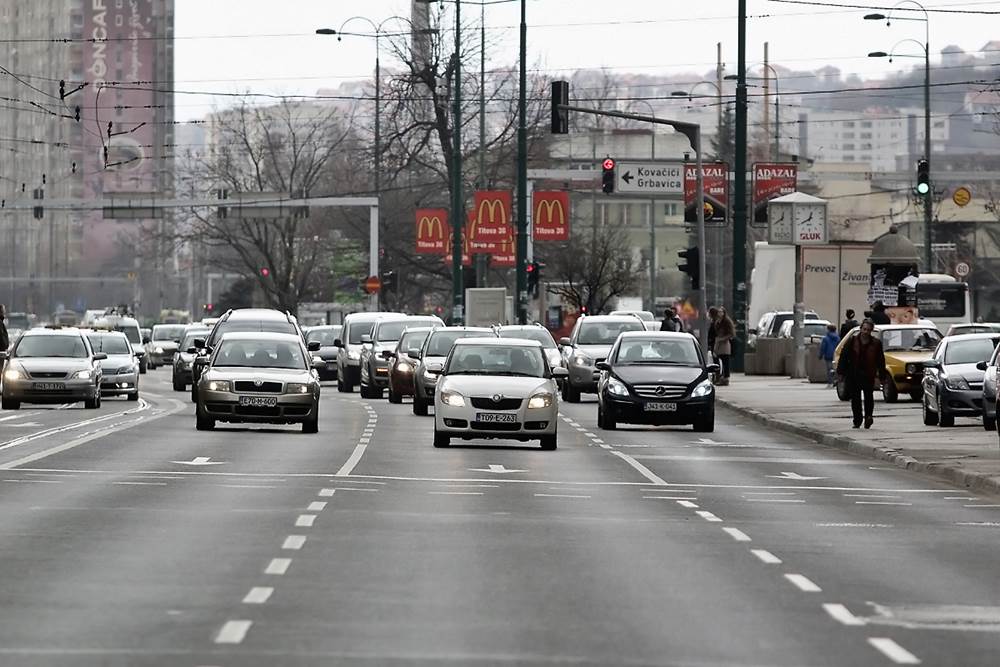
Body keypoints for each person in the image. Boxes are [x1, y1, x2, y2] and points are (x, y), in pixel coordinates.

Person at [836, 318, 887, 429]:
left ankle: (868, 416)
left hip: (868, 374)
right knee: (855, 399)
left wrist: (882, 376)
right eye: (864, 329)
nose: (866, 332)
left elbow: (881, 361)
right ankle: (857, 420)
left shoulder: (876, 343)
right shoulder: (852, 341)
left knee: (869, 396)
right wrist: (840, 373)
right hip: (853, 374)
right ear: (860, 329)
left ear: (871, 331)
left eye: (868, 330)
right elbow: (843, 357)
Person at [713, 307, 735, 386]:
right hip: (718, 343)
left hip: (724, 343)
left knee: (725, 361)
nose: (719, 313)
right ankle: (720, 377)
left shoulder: (727, 321)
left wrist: (723, 338)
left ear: (724, 313)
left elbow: (731, 334)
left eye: (721, 312)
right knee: (718, 360)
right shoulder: (717, 321)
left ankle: (726, 378)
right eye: (718, 312)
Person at [818, 323, 840, 388]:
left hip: (828, 356)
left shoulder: (825, 338)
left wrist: (820, 355)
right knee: (835, 369)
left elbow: (823, 347)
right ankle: (835, 382)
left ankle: (830, 382)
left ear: (829, 330)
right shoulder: (838, 338)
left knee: (829, 369)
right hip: (836, 355)